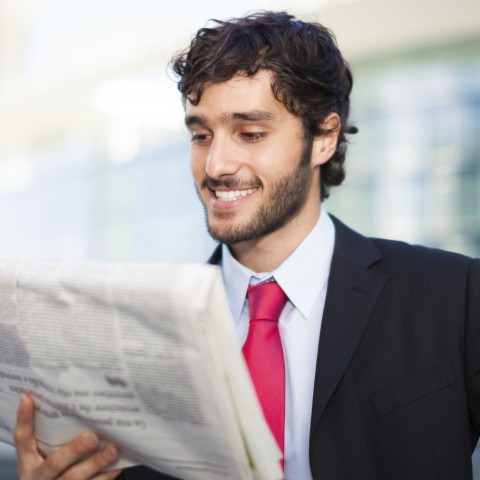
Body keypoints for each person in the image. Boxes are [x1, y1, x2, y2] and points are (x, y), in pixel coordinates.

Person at [13, 10, 480, 480]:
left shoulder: (454, 295)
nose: (216, 164)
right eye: (201, 135)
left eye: (251, 133)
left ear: (323, 137)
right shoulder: (141, 337)